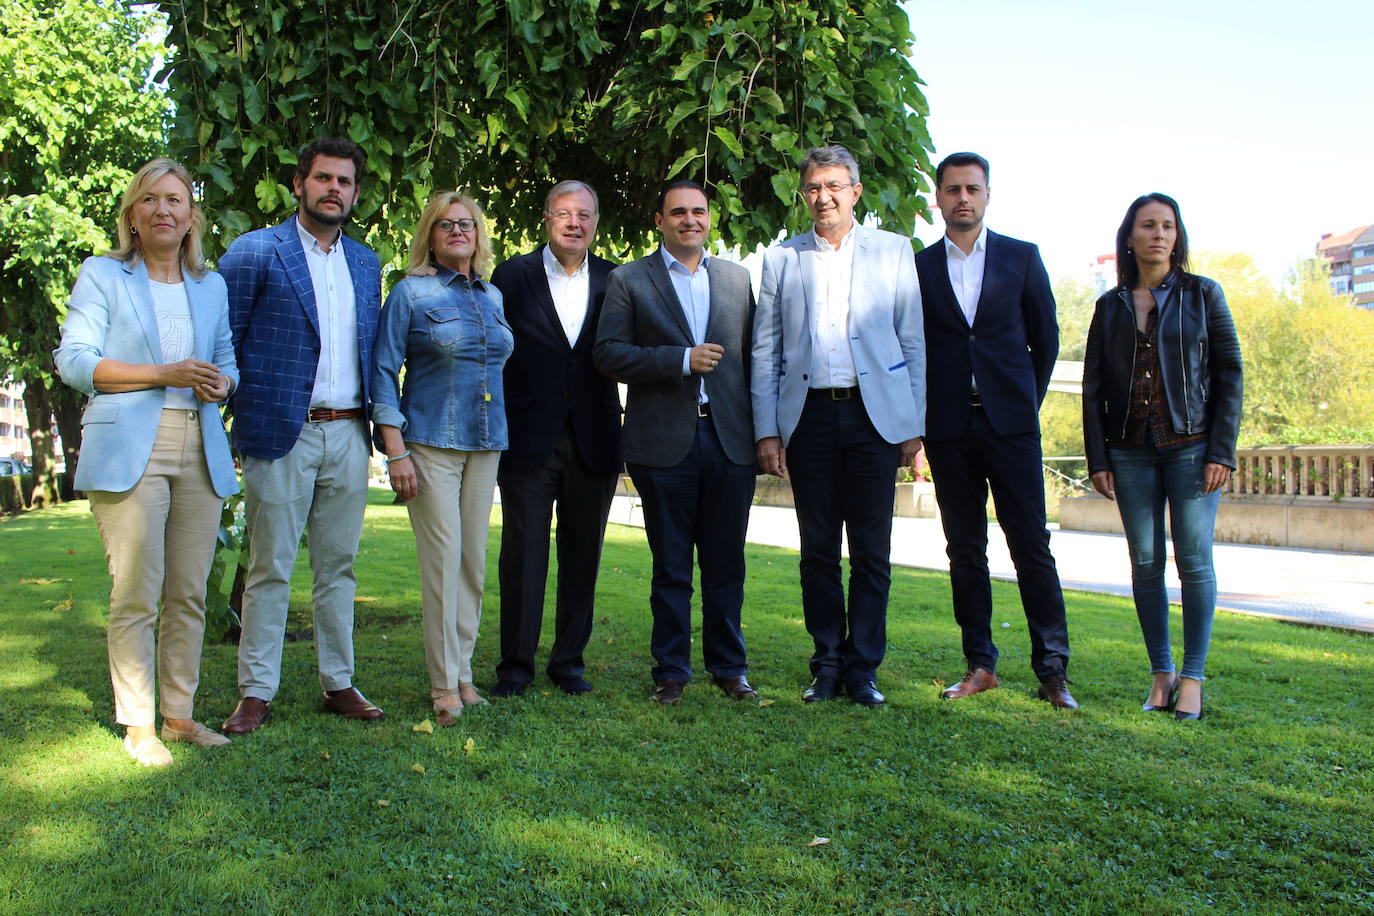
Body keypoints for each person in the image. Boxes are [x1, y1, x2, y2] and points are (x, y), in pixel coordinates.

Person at [55, 158, 239, 766]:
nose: (164, 209)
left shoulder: (211, 286)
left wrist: (223, 384)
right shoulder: (103, 275)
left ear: (192, 217)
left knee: (188, 592)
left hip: (199, 444)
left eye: (176, 200)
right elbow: (77, 362)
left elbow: (226, 359)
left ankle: (179, 715)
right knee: (138, 589)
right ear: (133, 215)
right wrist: (163, 374)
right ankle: (138, 725)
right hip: (131, 444)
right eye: (151, 199)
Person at [218, 137, 384, 734]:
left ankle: (338, 683)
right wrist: (245, 413)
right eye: (323, 179)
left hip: (347, 433)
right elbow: (224, 342)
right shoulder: (256, 251)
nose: (333, 189)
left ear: (355, 192)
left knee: (339, 567)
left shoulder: (367, 264)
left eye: (344, 181)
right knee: (271, 567)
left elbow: (374, 351)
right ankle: (256, 691)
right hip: (281, 432)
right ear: (299, 183)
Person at [752, 145, 925, 707]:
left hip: (875, 419)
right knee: (818, 550)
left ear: (855, 191)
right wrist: (767, 429)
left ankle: (863, 669)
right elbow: (766, 348)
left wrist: (913, 426)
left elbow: (912, 341)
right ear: (802, 196)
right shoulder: (781, 259)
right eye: (812, 188)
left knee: (873, 551)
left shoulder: (896, 251)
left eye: (833, 186)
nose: (822, 198)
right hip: (808, 419)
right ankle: (826, 664)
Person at [914, 151, 1079, 709]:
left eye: (973, 189)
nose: (963, 198)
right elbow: (914, 349)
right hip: (949, 427)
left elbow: (1046, 339)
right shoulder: (920, 268)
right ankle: (979, 663)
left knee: (1032, 545)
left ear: (987, 195)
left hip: (1010, 425)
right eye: (953, 189)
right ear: (937, 198)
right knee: (965, 548)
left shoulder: (1021, 258)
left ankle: (1053, 670)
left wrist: (1023, 400)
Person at [593, 180, 758, 705]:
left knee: (727, 562)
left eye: (699, 211)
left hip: (731, 440)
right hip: (663, 443)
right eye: (678, 212)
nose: (690, 219)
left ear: (710, 219)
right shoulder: (629, 280)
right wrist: (680, 360)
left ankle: (730, 668)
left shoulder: (736, 279)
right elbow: (609, 353)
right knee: (670, 567)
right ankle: (671, 672)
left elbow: (756, 361)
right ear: (659, 222)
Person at [1082, 193, 1243, 721]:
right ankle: (1161, 674)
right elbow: (1092, 388)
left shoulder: (1204, 295)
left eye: (1168, 226)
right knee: (1145, 563)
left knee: (1194, 561)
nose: (1158, 234)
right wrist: (1098, 459)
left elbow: (1229, 375)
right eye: (1147, 225)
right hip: (1129, 451)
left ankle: (1193, 678)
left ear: (1178, 237)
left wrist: (1222, 449)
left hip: (1193, 447)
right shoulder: (1110, 308)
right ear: (1129, 237)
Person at [372, 191, 514, 725]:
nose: (458, 232)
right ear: (429, 236)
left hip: (486, 443)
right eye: (446, 225)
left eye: (467, 224)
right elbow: (383, 373)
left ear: (479, 235)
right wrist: (396, 451)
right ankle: (441, 684)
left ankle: (464, 674)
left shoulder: (493, 297)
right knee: (442, 563)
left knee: (472, 566)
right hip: (429, 443)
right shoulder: (411, 294)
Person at [489, 181, 621, 698]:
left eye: (584, 215)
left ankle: (568, 662)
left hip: (596, 436)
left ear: (594, 222)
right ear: (547, 218)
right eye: (564, 213)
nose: (574, 223)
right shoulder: (511, 276)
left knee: (582, 552)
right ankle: (515, 666)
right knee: (522, 554)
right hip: (527, 436)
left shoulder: (617, 279)